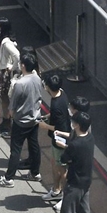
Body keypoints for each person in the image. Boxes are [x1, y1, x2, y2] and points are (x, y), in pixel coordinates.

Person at [0, 52, 44, 188]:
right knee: (34, 146)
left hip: (21, 121)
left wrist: (10, 115)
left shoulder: (20, 84)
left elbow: (12, 106)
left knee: (15, 150)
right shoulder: (37, 79)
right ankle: (35, 172)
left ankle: (9, 178)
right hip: (34, 119)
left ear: (23, 66)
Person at [57, 111, 94, 213]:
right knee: (84, 211)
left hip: (75, 182)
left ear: (77, 125)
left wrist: (64, 146)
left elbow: (65, 159)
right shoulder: (90, 138)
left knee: (67, 212)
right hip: (86, 180)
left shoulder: (74, 144)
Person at [39, 73, 71, 202]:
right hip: (59, 137)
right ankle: (56, 190)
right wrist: (48, 116)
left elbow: (57, 128)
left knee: (61, 168)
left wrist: (44, 125)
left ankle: (64, 195)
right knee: (55, 163)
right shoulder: (61, 94)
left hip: (60, 139)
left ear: (48, 87)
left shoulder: (56, 104)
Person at [0, 17, 19, 137]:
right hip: (4, 74)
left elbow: (17, 55)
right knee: (4, 98)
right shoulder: (5, 40)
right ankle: (6, 124)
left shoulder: (5, 42)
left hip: (1, 73)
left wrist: (11, 67)